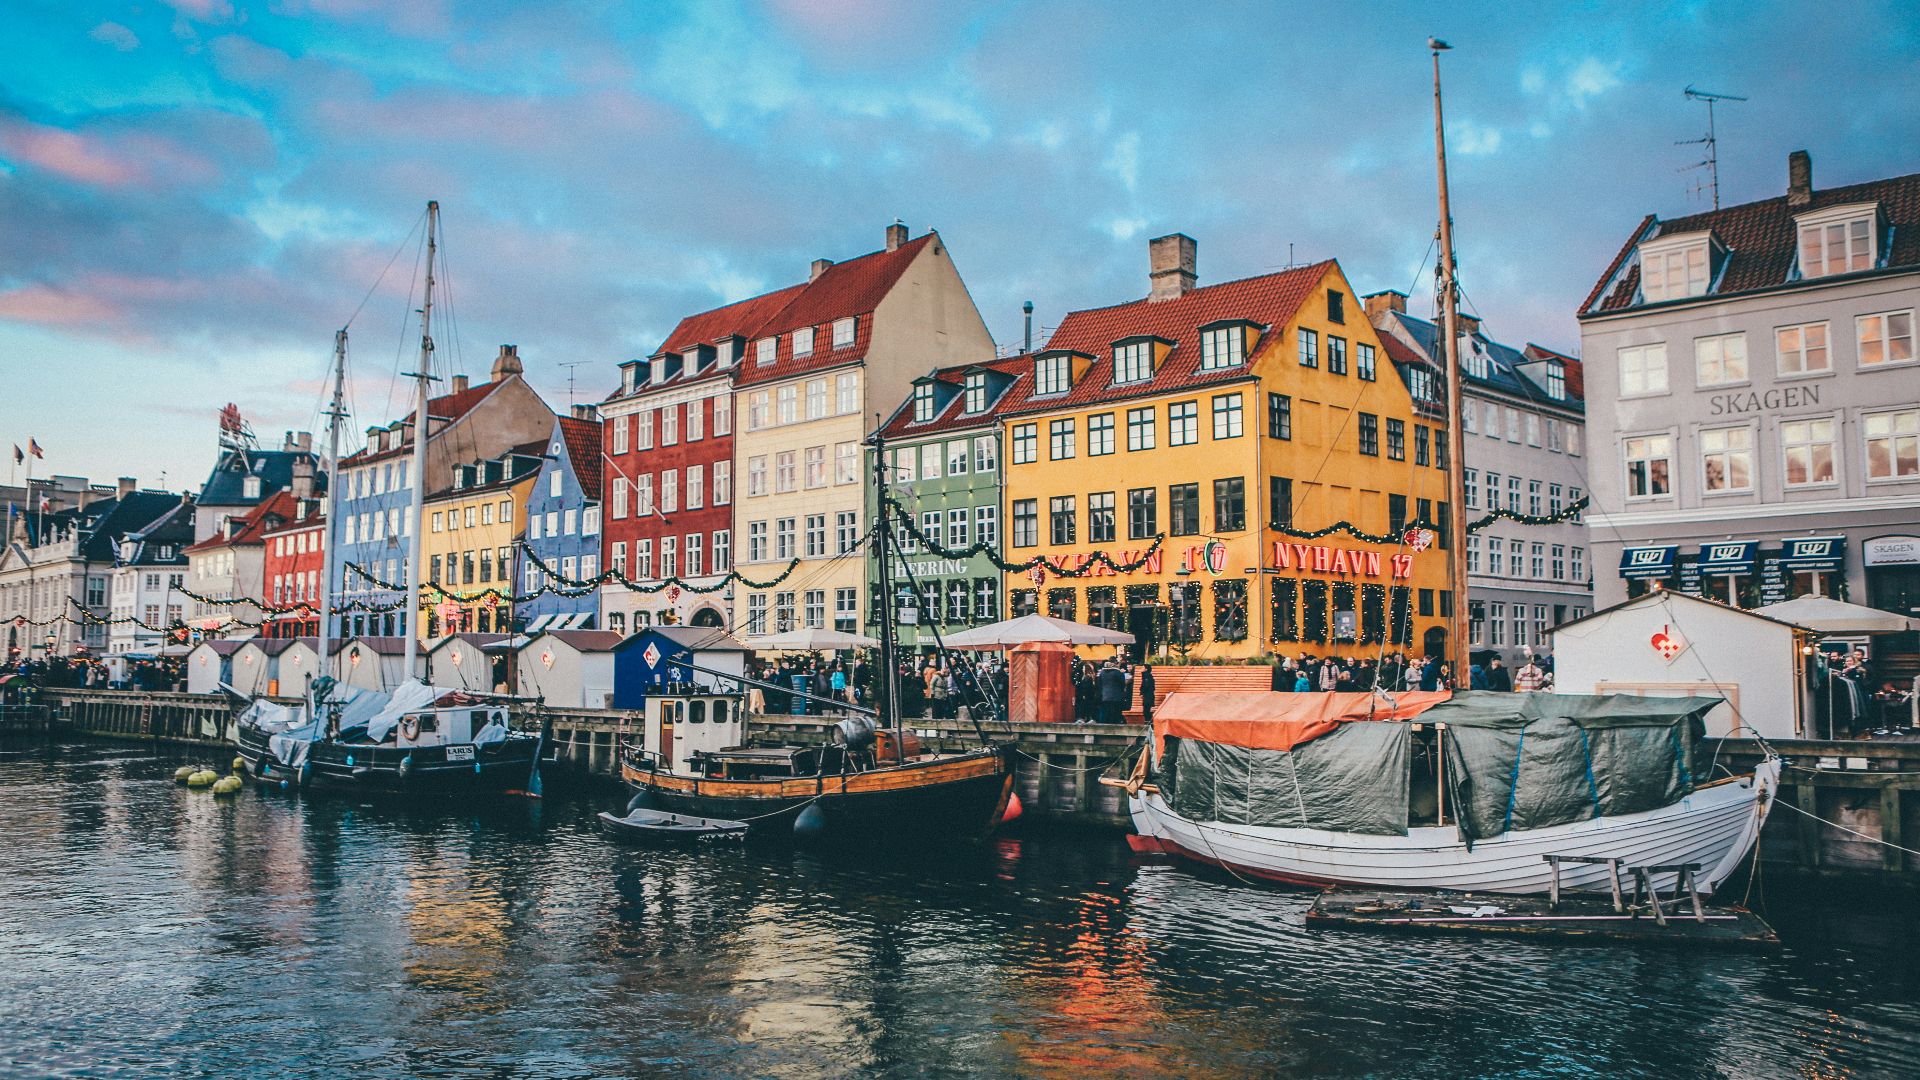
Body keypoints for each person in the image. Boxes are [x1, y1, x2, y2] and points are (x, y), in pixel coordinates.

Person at [1096, 659, 1129, 724]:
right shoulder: (1118, 672)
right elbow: (1122, 684)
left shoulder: (1102, 673)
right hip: (1117, 696)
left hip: (1105, 696)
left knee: (1106, 711)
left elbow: (1099, 684)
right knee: (1115, 712)